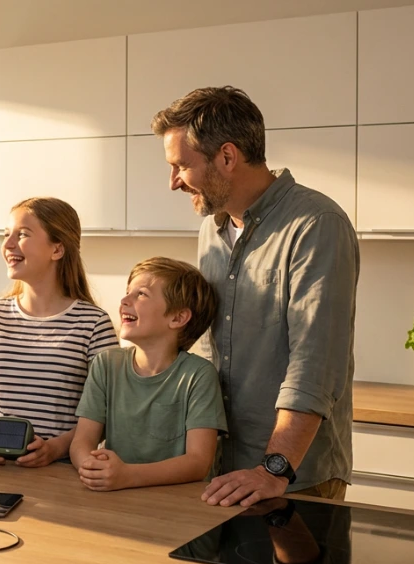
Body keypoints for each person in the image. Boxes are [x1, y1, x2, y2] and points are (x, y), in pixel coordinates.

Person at [151, 86, 359, 507]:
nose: (173, 182)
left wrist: (274, 468)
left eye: (181, 166)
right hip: (219, 470)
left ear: (227, 157)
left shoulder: (316, 225)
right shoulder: (213, 227)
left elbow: (315, 363)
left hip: (292, 479)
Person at [0, 197, 118, 468]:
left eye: (22, 234)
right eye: (6, 234)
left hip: (61, 470)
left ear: (57, 249)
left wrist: (55, 449)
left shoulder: (94, 324)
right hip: (0, 468)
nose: (8, 244)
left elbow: (103, 416)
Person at [69, 257, 227, 490]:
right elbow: (82, 441)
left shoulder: (199, 375)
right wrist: (90, 467)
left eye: (140, 294)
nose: (124, 300)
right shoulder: (105, 364)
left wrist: (127, 476)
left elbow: (198, 462)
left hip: (177, 510)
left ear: (178, 318)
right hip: (117, 499)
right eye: (127, 292)